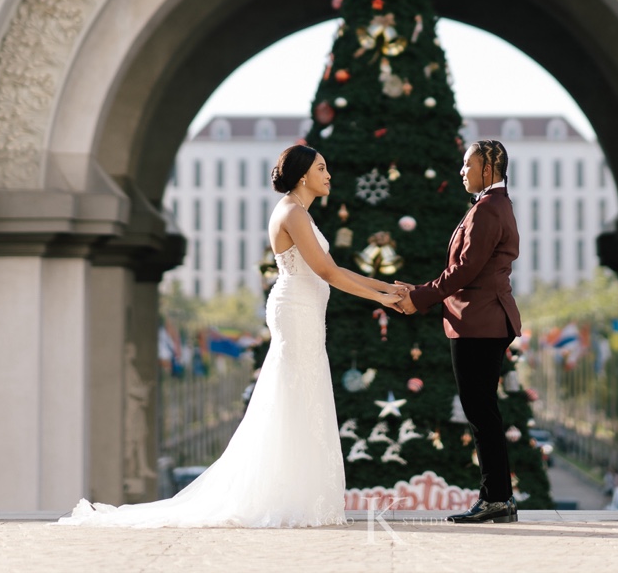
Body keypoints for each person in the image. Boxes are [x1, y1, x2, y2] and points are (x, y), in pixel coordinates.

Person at [59, 144, 403, 527]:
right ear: (303, 175)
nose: (329, 175)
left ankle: (299, 494)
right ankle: (293, 496)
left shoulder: (299, 213)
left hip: (304, 311)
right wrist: (383, 298)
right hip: (297, 312)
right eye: (322, 168)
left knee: (299, 393)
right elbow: (327, 271)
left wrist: (388, 289)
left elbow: (334, 268)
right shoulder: (292, 213)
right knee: (298, 393)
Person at [395, 139, 523, 524]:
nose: (462, 171)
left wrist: (419, 297)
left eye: (468, 164)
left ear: (489, 168)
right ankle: (499, 497)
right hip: (482, 319)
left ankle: (496, 499)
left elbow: (466, 270)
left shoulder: (488, 209)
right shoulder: (493, 205)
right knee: (483, 411)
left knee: (481, 412)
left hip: (479, 322)